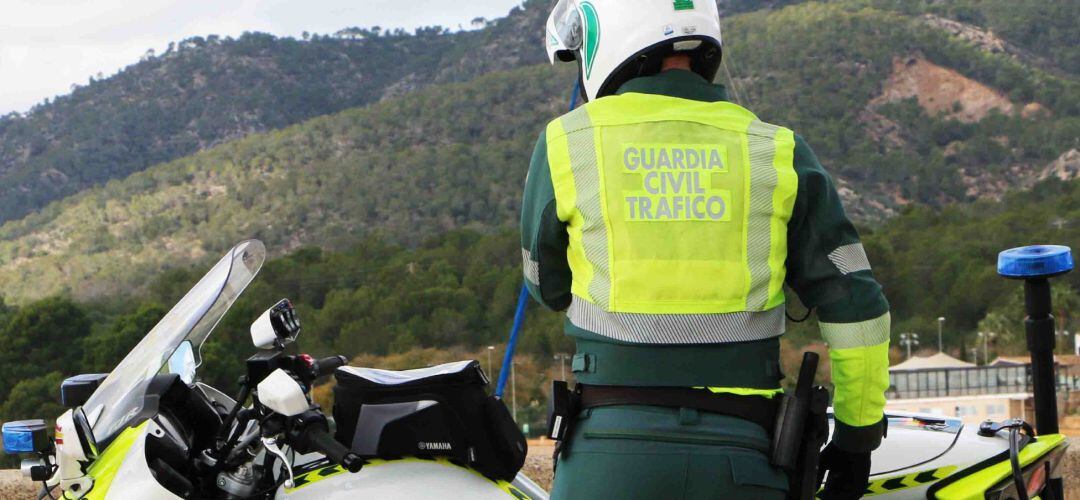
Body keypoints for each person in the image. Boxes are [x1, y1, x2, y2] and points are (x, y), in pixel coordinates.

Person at [520, 1, 890, 499]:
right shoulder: (777, 149)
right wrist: (856, 440)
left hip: (607, 452)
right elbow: (857, 304)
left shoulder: (567, 142)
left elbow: (547, 286)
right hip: (747, 453)